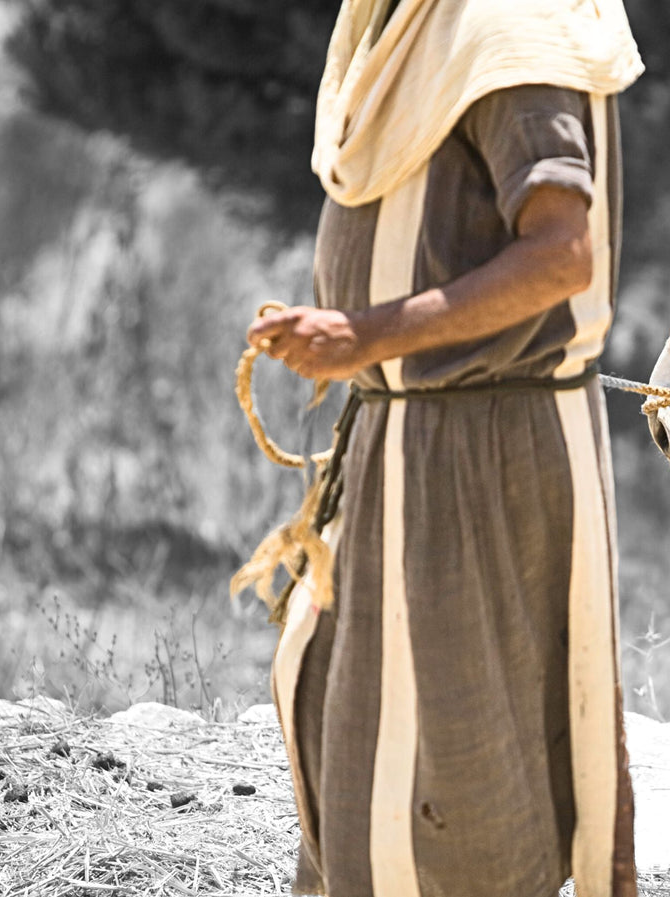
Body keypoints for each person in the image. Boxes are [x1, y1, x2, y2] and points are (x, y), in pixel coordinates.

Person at [245, 2, 643, 896]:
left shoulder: (508, 22)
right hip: (406, 436)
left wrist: (367, 333)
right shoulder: (430, 25)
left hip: (480, 455)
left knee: (464, 770)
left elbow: (560, 256)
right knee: (359, 725)